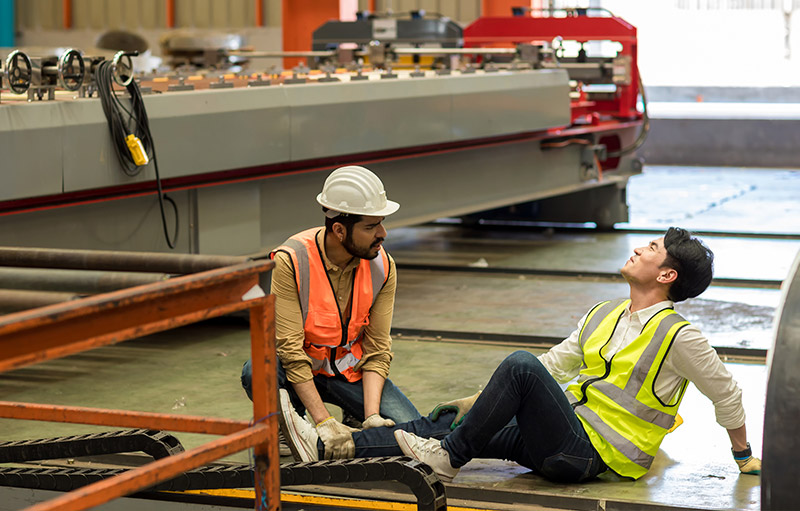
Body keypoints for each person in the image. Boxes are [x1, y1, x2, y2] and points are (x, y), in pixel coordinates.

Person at [277, 227, 762, 481]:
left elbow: (726, 392)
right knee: (446, 421)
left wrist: (742, 454)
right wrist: (478, 400)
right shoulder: (606, 313)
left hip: (594, 457)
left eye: (651, 249)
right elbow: (557, 364)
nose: (638, 249)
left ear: (667, 276)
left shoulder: (681, 337)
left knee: (518, 365)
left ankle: (450, 458)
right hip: (562, 435)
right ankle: (333, 446)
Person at [242, 165, 420, 459]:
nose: (383, 234)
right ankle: (286, 420)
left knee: (409, 434)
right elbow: (289, 348)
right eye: (370, 226)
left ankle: (355, 416)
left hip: (348, 374)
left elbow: (376, 348)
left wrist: (372, 415)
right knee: (257, 370)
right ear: (339, 230)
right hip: (297, 370)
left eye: (382, 223)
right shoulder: (292, 260)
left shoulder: (383, 266)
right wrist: (323, 422)